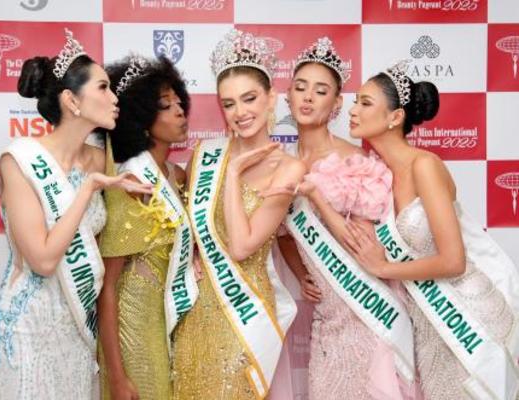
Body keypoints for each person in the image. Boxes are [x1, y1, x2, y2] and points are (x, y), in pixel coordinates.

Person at [0, 29, 151, 400]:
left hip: (76, 331)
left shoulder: (101, 159)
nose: (114, 98)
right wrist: (88, 187)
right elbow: (44, 260)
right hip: (27, 329)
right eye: (103, 88)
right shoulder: (20, 160)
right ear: (71, 100)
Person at [346, 60, 519, 400]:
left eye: (365, 103)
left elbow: (453, 260)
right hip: (428, 327)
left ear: (395, 117)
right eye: (355, 102)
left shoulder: (424, 165)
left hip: (469, 319)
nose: (353, 111)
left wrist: (384, 267)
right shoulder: (380, 176)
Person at [273, 38, 416, 400]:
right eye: (300, 87)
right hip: (327, 318)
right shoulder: (280, 164)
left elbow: (362, 246)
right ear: (287, 96)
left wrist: (317, 198)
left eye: (320, 91)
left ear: (337, 104)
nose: (308, 97)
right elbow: (283, 235)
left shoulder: (356, 162)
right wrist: (301, 273)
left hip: (365, 310)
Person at [172, 29, 304, 400]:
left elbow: (243, 246)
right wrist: (191, 254)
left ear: (271, 97)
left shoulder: (288, 169)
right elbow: (188, 227)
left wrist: (231, 174)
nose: (240, 113)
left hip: (244, 312)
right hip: (195, 305)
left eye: (249, 98)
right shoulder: (205, 153)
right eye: (229, 104)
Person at [97, 54, 197, 400]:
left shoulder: (178, 176)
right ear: (140, 118)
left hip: (170, 320)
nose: (179, 111)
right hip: (133, 329)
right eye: (165, 106)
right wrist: (117, 376)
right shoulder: (129, 182)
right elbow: (108, 286)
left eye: (179, 102)